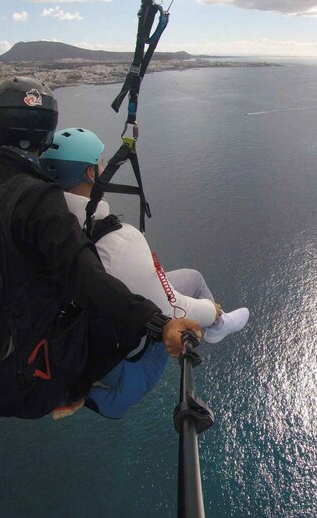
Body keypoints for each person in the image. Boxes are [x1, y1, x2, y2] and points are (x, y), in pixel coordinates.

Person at [0, 77, 201, 419]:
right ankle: (82, 392)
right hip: (17, 385)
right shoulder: (37, 199)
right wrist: (157, 323)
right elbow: (87, 276)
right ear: (45, 134)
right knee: (113, 318)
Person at [38, 127, 249, 419]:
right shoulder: (117, 239)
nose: (102, 167)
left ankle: (218, 325)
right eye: (100, 163)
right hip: (101, 334)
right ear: (90, 174)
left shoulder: (35, 221)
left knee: (194, 278)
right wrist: (211, 312)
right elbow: (172, 309)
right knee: (134, 384)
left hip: (66, 323)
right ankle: (218, 323)